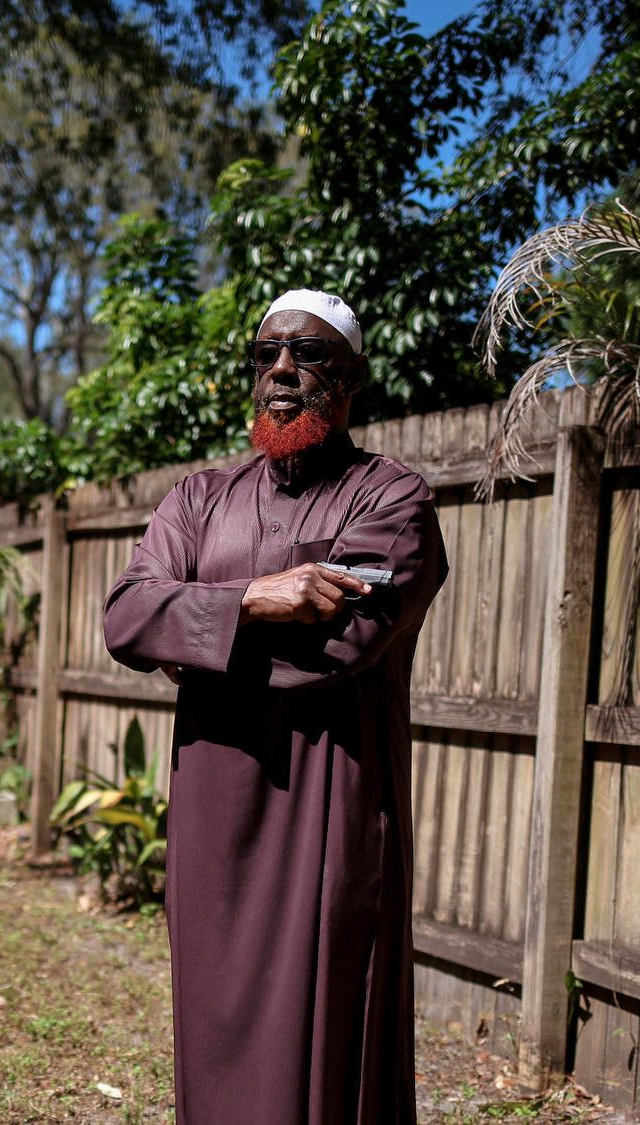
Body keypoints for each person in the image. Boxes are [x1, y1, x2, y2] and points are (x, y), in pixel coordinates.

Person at [103, 289, 448, 1124]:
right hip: (210, 815)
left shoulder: (391, 499)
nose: (283, 369)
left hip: (329, 810)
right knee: (212, 1020)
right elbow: (125, 617)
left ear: (353, 375)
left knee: (328, 1031)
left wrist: (194, 635)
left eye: (309, 352)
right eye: (268, 355)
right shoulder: (198, 499)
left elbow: (341, 646)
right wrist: (255, 599)